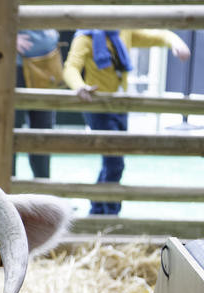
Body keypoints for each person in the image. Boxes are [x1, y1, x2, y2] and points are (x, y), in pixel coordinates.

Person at [63, 29, 190, 215]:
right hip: (98, 107)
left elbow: (159, 35)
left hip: (120, 106)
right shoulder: (85, 37)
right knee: (115, 163)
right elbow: (71, 67)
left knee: (111, 161)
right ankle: (111, 214)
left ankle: (97, 210)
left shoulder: (124, 31)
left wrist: (177, 42)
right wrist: (80, 86)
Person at [14, 29, 60, 179]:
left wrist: (52, 35)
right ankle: (5, 189)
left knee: (43, 130)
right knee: (10, 129)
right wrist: (7, 37)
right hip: (16, 68)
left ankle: (43, 185)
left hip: (46, 66)